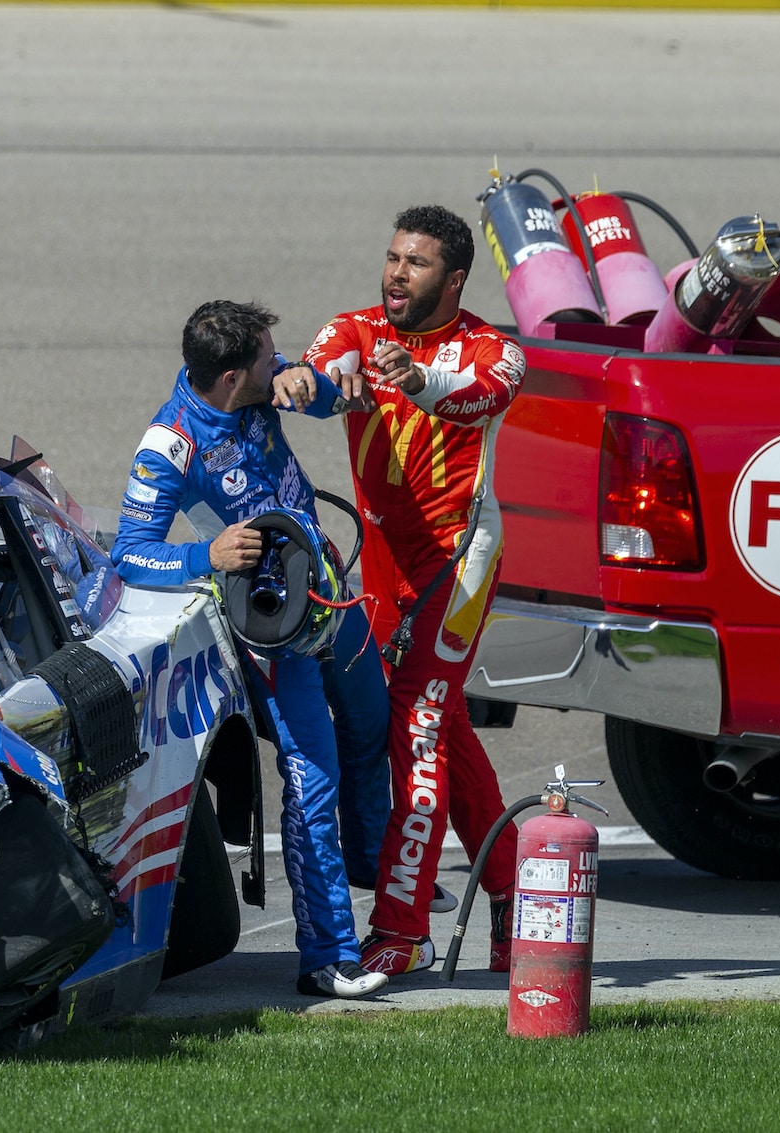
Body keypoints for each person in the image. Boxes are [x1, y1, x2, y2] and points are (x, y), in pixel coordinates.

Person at [111, 299, 393, 998]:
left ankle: (371, 867)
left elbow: (336, 402)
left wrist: (311, 382)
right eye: (271, 358)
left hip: (327, 585)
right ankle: (327, 953)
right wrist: (203, 556)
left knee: (372, 721)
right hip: (275, 628)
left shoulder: (270, 386)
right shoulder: (168, 444)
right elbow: (128, 555)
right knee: (312, 774)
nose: (281, 362)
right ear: (232, 377)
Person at [303, 205, 527, 976]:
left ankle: (403, 926)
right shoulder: (352, 328)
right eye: (393, 257)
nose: (397, 273)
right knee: (443, 722)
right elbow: (321, 376)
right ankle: (513, 887)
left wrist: (419, 377)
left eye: (417, 263)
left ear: (454, 279)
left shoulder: (494, 350)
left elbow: (476, 397)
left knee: (419, 723)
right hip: (380, 565)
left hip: (460, 562)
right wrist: (316, 383)